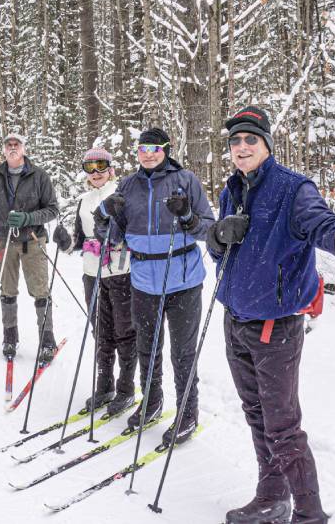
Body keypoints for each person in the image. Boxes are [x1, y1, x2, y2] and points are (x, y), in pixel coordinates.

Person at [207, 106, 335, 524]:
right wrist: (216, 235)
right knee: (255, 415)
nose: (241, 148)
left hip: (274, 325)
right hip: (235, 319)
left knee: (282, 426)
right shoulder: (232, 189)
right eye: (235, 142)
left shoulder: (293, 189)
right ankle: (272, 496)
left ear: (266, 145)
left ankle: (310, 513)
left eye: (250, 140)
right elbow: (219, 252)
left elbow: (320, 224)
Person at [94, 128, 214, 443]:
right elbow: (114, 237)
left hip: (183, 280)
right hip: (144, 280)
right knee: (147, 348)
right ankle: (151, 401)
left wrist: (187, 215)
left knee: (183, 354)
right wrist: (103, 217)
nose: (148, 153)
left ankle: (187, 413)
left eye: (155, 148)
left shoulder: (185, 180)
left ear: (166, 149)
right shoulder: (128, 186)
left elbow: (209, 229)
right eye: (143, 148)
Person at [52, 148, 136, 415]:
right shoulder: (84, 200)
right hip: (93, 273)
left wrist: (111, 239)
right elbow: (78, 240)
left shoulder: (121, 195)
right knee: (100, 331)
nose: (96, 173)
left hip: (121, 272)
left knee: (124, 332)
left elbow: (131, 231)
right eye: (90, 167)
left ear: (111, 168)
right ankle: (104, 385)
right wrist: (66, 242)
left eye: (101, 166)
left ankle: (126, 389)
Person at [0, 133, 61, 362]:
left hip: (33, 240)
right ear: (3, 150)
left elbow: (53, 209)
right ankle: (10, 338)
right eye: (8, 145)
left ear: (23, 148)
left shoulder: (39, 175)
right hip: (5, 241)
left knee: (41, 291)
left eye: (16, 144)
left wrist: (28, 218)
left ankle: (47, 341)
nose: (12, 148)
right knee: (7, 290)